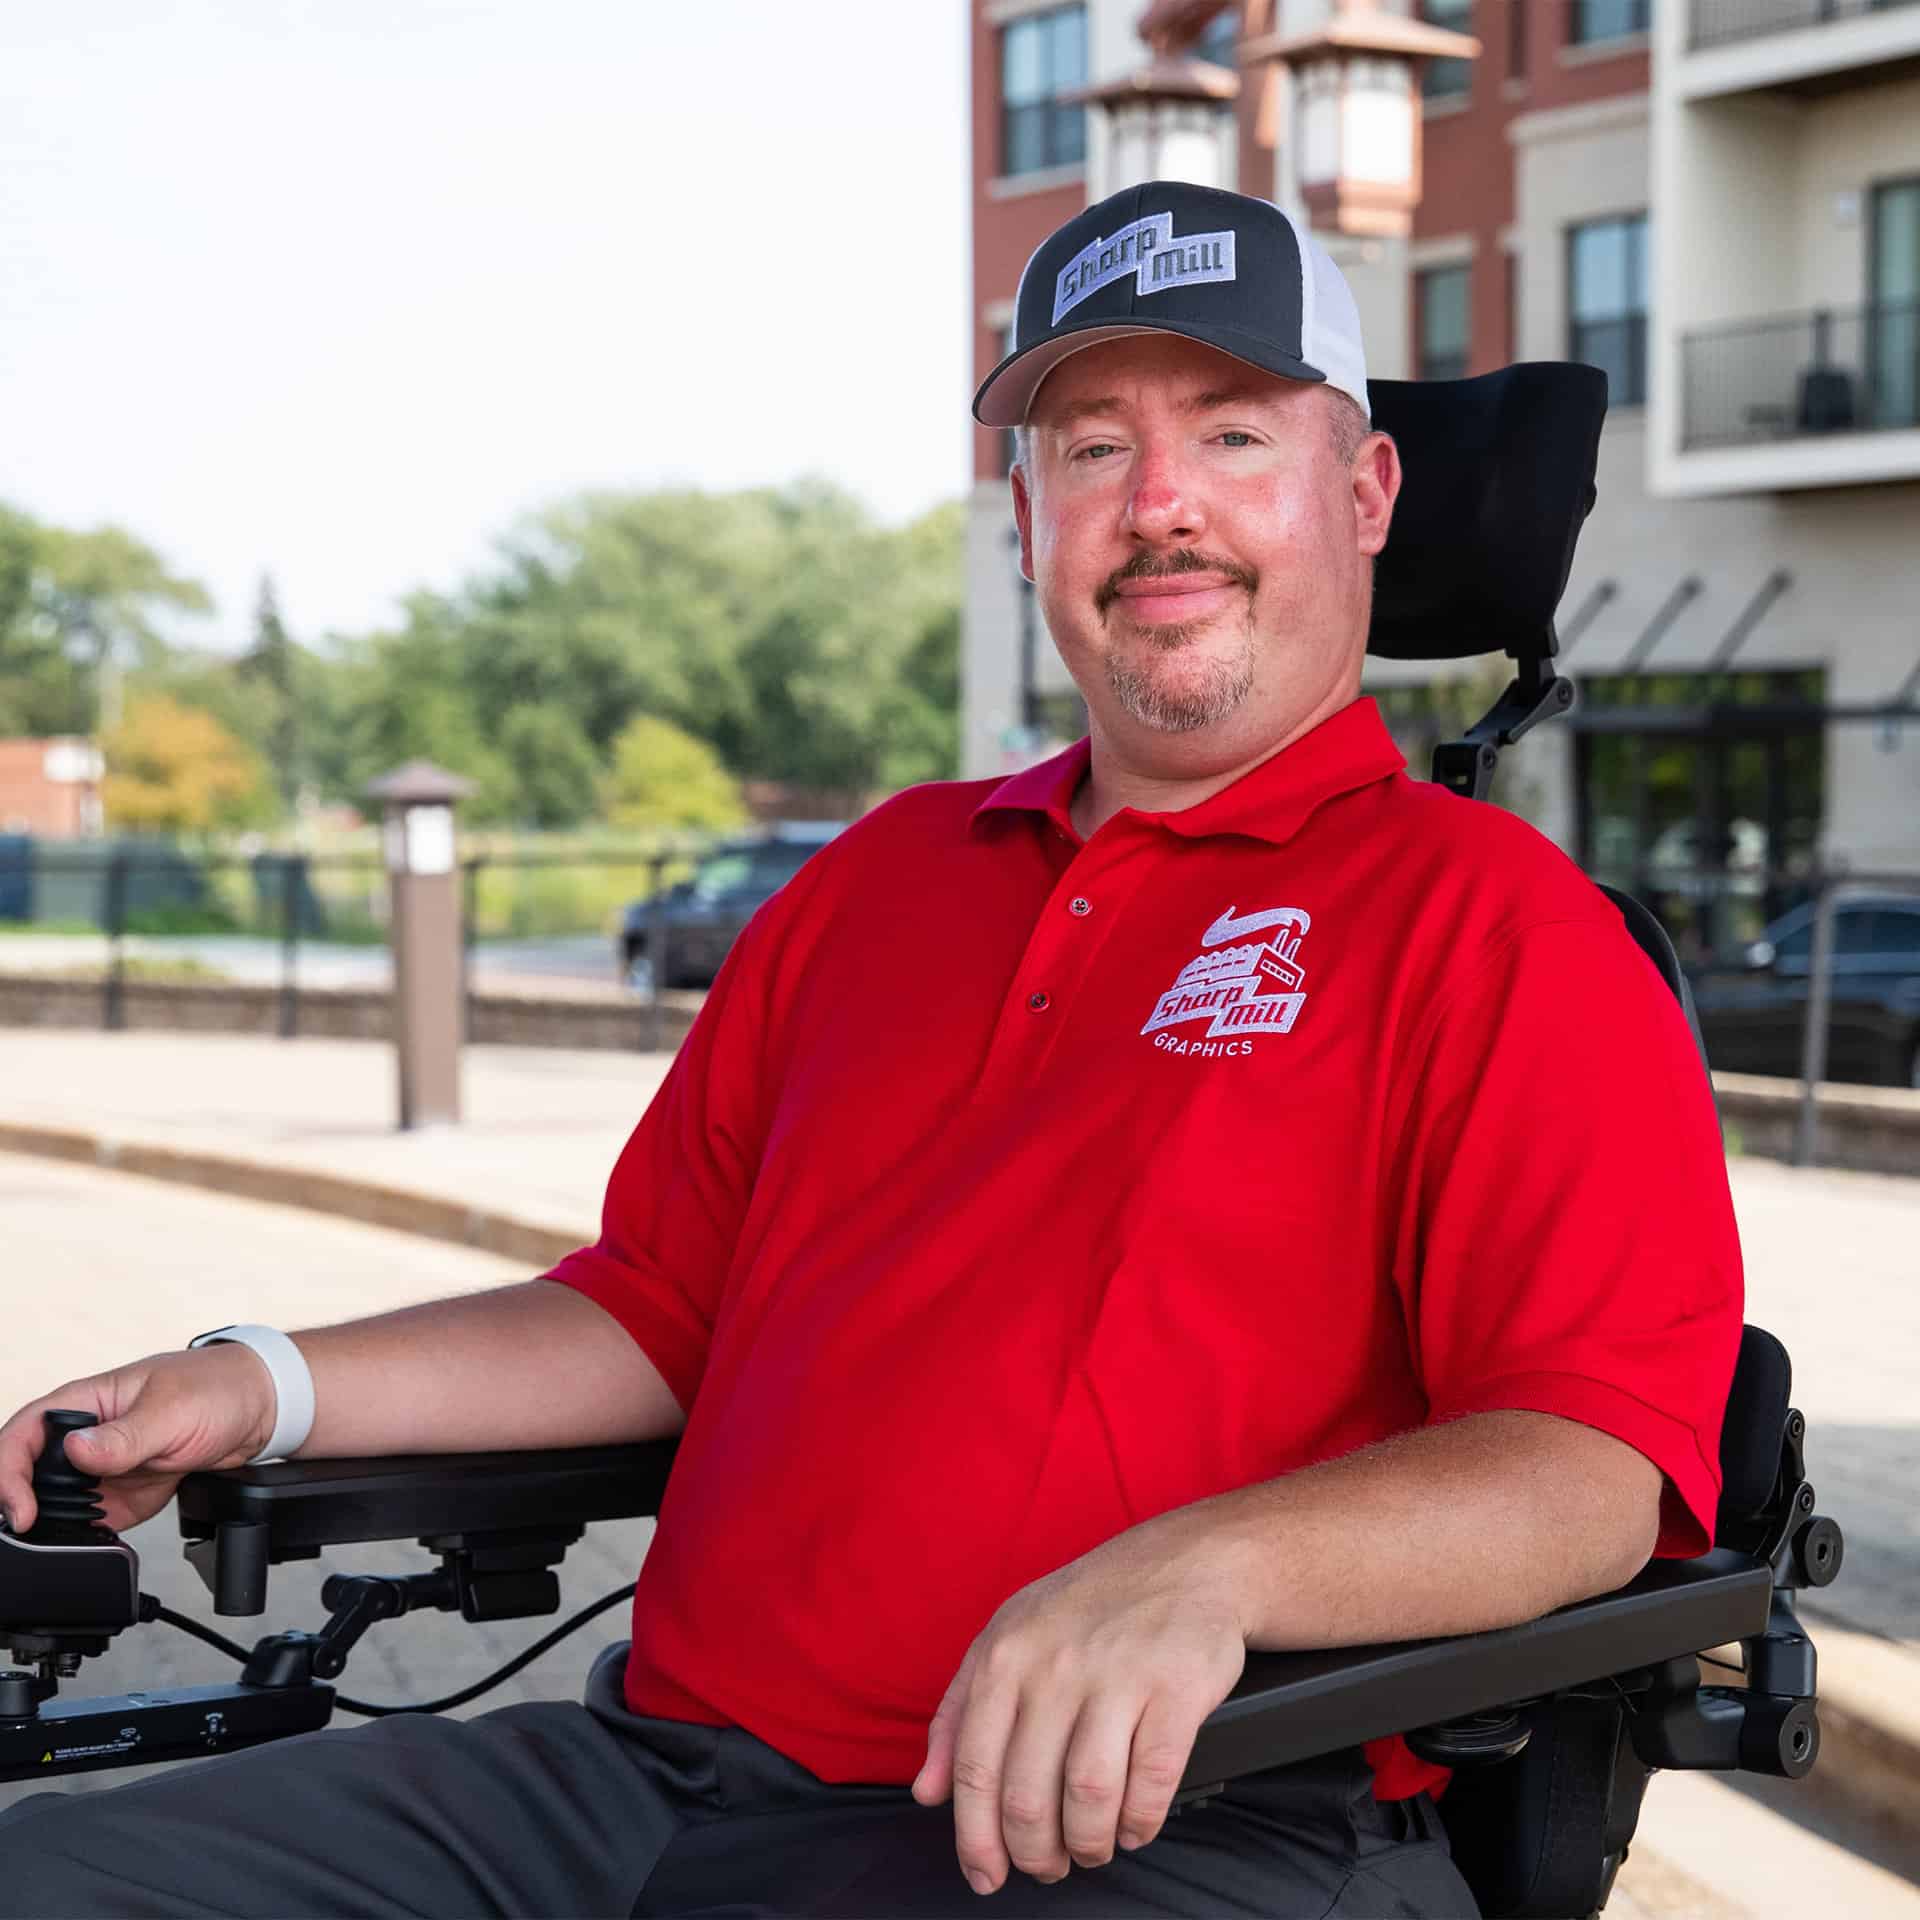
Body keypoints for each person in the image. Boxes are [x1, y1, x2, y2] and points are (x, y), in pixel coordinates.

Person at [0, 181, 1743, 1918]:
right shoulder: (879, 881)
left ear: (1363, 493)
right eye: (1087, 447)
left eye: (1230, 434)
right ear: (1025, 514)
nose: (1157, 507)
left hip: (1152, 1834)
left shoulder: (1500, 932)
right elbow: (650, 1307)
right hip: (635, 1786)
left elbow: (1585, 1466)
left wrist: (1203, 1569)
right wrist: (262, 1383)